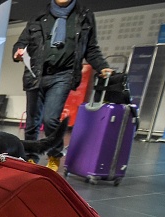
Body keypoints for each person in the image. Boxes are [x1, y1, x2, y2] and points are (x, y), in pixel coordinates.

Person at [12, 0, 113, 171]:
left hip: (63, 74)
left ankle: (55, 154)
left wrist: (101, 66)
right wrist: (18, 51)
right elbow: (21, 42)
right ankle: (30, 157)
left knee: (51, 119)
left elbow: (91, 48)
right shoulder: (39, 16)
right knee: (32, 121)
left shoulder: (83, 16)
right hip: (36, 73)